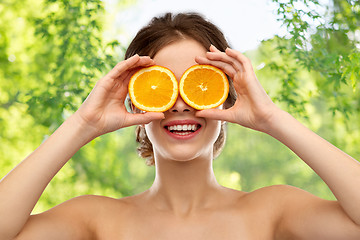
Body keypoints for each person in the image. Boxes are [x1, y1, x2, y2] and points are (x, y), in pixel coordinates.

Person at [0, 12, 360, 240]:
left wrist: (273, 119)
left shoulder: (272, 211)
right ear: (135, 101)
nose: (181, 102)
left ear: (228, 97)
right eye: (160, 86)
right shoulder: (95, 219)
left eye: (198, 84)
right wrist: (83, 123)